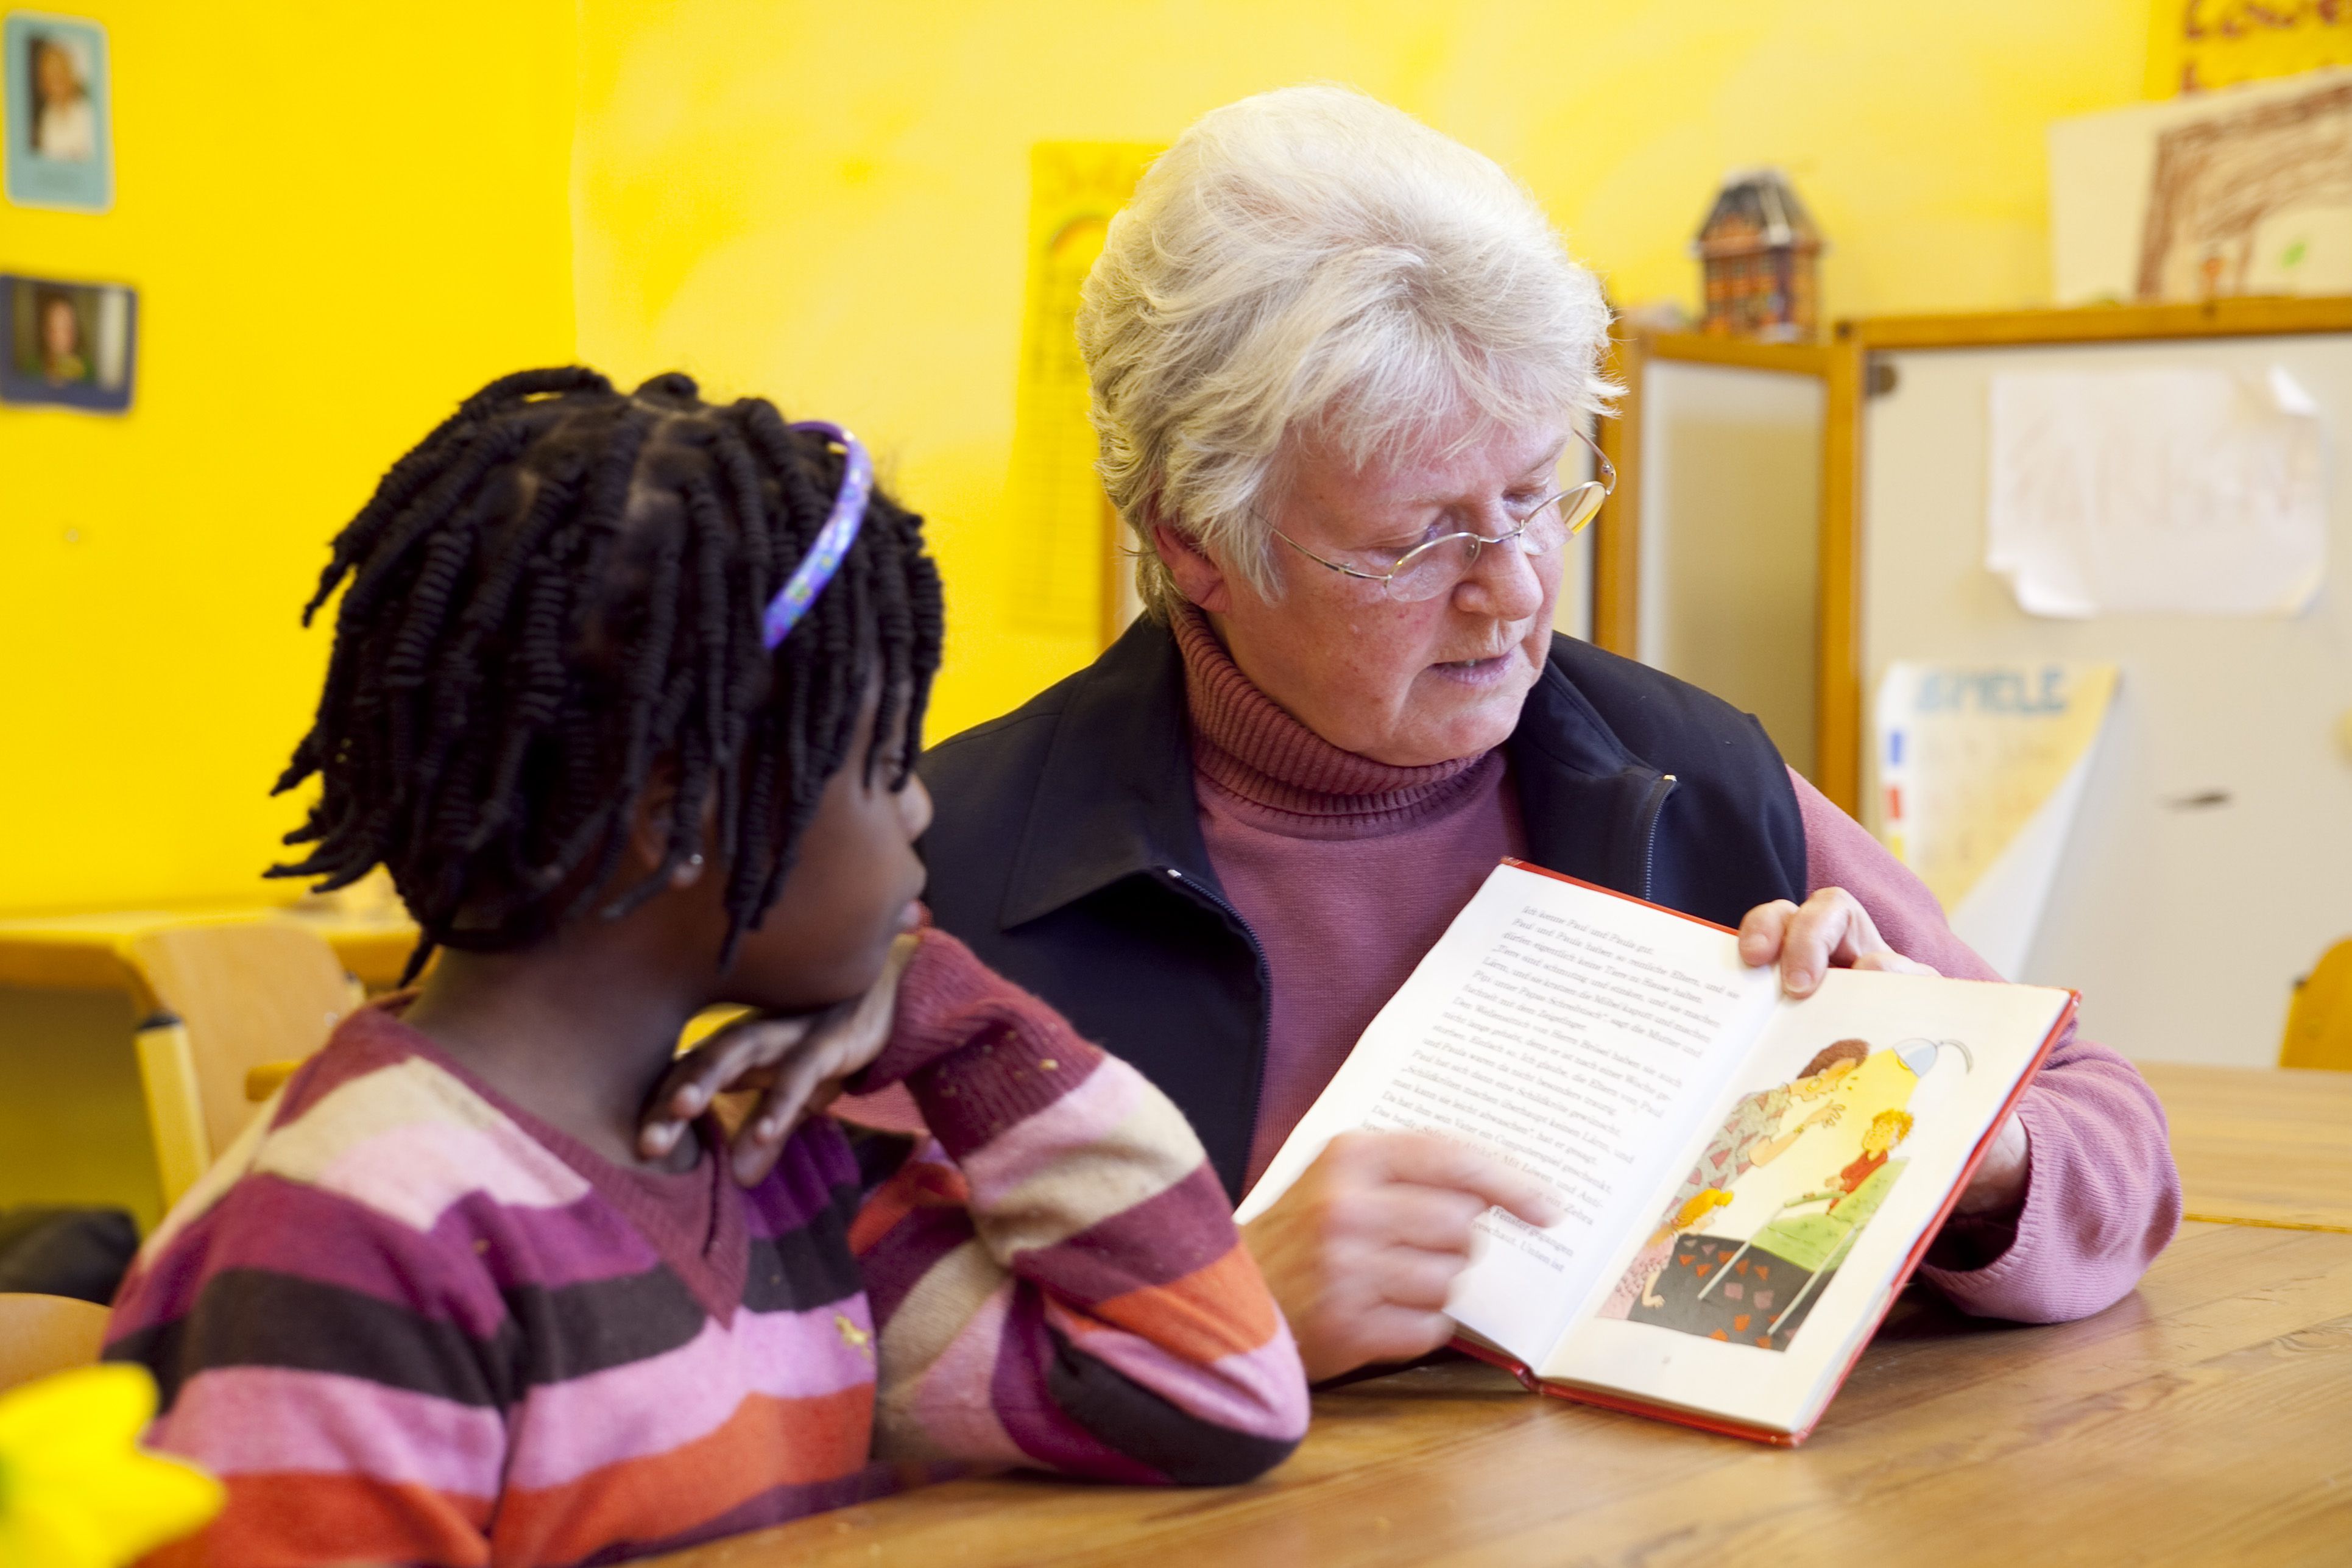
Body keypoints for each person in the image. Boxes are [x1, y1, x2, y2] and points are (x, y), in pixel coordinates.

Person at [666, 85, 2182, 1387]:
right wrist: (1220, 1301)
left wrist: (1950, 1139)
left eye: (1536, 493)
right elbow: (783, 1342)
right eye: (1416, 539)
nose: (1514, 587)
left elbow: (2111, 1135)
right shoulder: (950, 869)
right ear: (1192, 538)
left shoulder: (1688, 775)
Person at [102, 369, 1306, 1566]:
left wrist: (952, 1024)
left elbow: (1218, 1390)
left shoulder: (783, 1170)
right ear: (679, 819)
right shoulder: (349, 1237)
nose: (921, 811)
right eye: (883, 762)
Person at [29, 36, 95, 161]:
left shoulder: (88, 111)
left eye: (59, 72)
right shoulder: (47, 116)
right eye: (49, 76)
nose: (54, 82)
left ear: (69, 73)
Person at [34, 290, 88, 384]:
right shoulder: (30, 370)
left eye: (72, 325)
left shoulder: (87, 370)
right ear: (48, 333)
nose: (70, 333)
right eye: (62, 327)